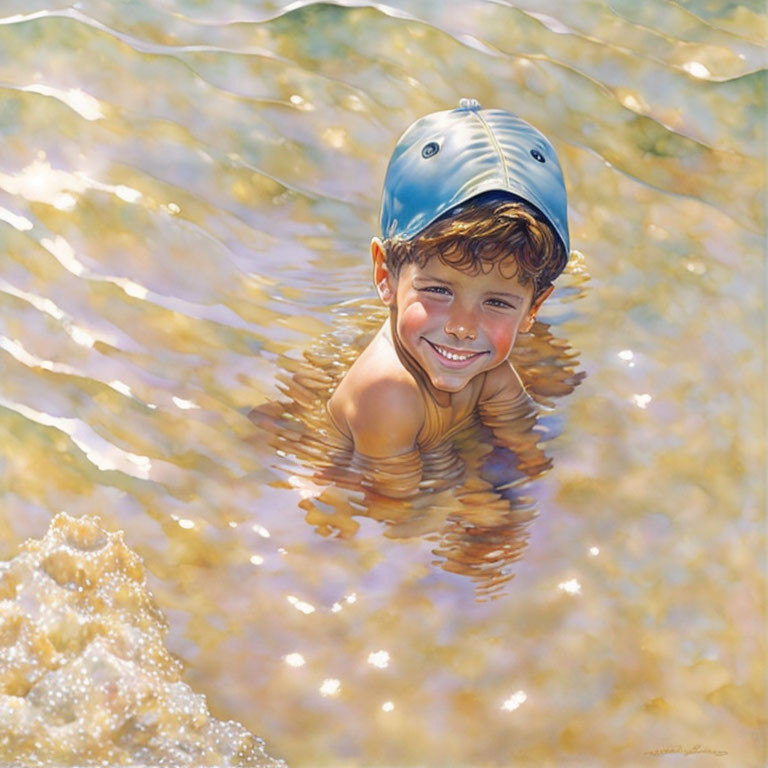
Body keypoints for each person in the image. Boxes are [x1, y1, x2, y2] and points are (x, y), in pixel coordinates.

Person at [326, 98, 570, 495]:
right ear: (385, 274)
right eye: (438, 290)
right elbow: (396, 510)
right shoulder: (388, 393)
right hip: (358, 474)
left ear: (534, 308)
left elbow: (526, 438)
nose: (462, 327)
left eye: (498, 302)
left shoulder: (485, 361)